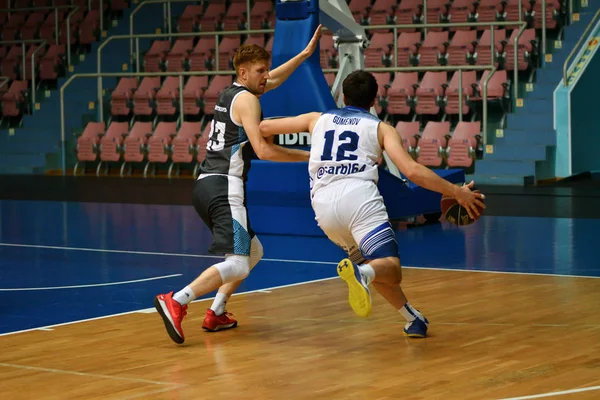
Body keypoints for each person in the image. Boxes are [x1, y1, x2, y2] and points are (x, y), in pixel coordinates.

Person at [259, 70, 486, 338]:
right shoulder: (381, 128)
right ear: (373, 100)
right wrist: (455, 191)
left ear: (343, 97)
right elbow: (411, 171)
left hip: (322, 208)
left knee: (374, 265)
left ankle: (412, 318)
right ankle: (362, 274)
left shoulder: (316, 119)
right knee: (390, 267)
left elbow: (263, 128)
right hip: (358, 200)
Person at [154, 25, 322, 344]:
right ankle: (176, 300)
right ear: (243, 72)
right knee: (238, 263)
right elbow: (263, 150)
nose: (266, 76)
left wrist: (302, 56)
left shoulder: (233, 92)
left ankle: (216, 312)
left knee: (253, 251)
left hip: (206, 185)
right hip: (224, 186)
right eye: (260, 71)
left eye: (266, 70)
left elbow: (273, 81)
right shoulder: (248, 101)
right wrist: (310, 157)